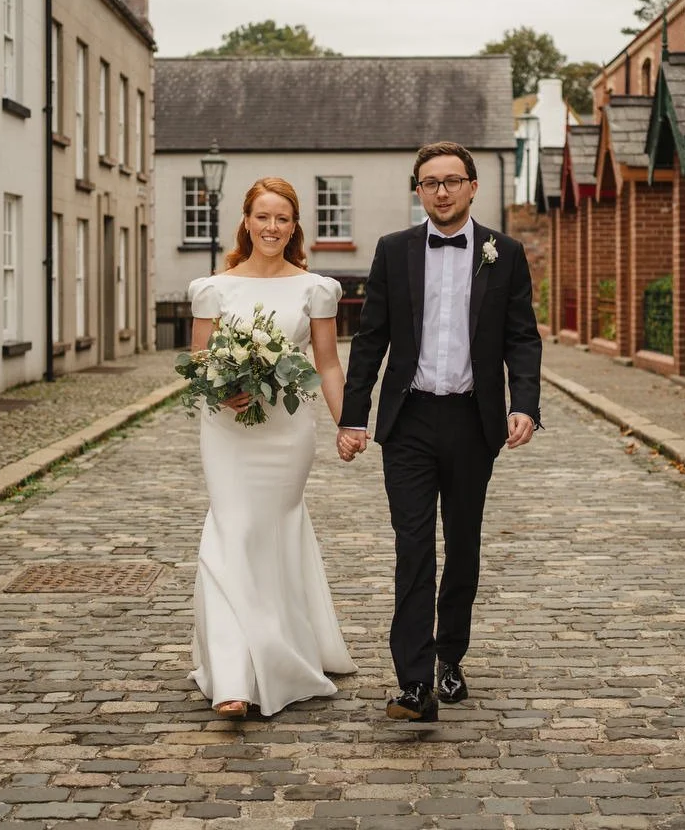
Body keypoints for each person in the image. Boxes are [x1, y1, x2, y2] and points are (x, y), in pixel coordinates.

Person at [338, 141, 542, 722]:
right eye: (431, 183)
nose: (443, 191)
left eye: (453, 181)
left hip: (473, 422)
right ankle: (414, 682)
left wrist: (523, 402)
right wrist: (354, 416)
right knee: (413, 547)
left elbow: (522, 337)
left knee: (463, 546)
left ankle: (450, 656)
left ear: (473, 186)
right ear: (418, 191)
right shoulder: (394, 251)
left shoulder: (505, 253)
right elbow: (370, 339)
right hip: (408, 422)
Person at [186, 177, 357, 719]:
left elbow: (327, 363)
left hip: (286, 432)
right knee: (231, 530)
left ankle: (283, 647)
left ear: (294, 226)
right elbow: (197, 365)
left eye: (282, 218)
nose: (272, 227)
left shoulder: (316, 289)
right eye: (263, 216)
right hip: (228, 431)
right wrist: (221, 387)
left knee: (272, 533)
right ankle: (233, 675)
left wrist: (347, 422)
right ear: (246, 221)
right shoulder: (214, 288)